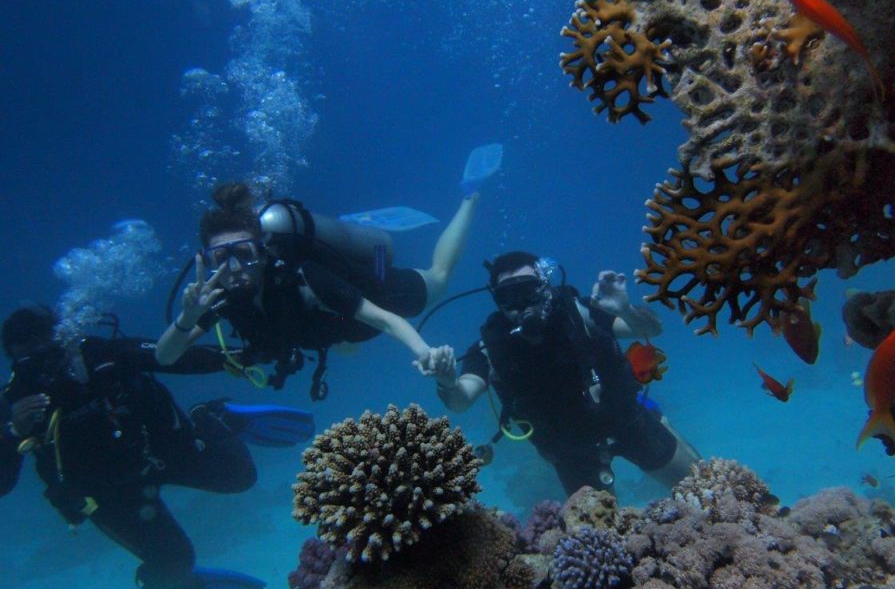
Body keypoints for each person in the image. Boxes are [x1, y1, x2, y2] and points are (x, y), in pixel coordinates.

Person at [0, 305, 312, 589]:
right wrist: (12, 433)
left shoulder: (102, 355)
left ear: (63, 337)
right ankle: (177, 581)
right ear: (13, 359)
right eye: (27, 355)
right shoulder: (12, 404)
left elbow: (172, 356)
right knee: (173, 566)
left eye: (46, 345)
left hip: (162, 453)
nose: (41, 360)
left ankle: (212, 416)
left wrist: (239, 357)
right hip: (109, 496)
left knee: (240, 476)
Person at [155, 181, 482, 397]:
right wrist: (188, 317)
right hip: (336, 330)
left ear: (264, 250)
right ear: (206, 261)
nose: (235, 268)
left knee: (438, 278)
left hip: (371, 293)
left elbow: (385, 320)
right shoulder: (216, 298)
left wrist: (425, 354)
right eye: (220, 258)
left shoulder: (304, 276)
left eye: (243, 253)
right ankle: (363, 238)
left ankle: (470, 197)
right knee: (345, 345)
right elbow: (165, 357)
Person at [429, 251, 702, 497]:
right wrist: (448, 382)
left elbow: (651, 330)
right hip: (569, 451)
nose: (521, 304)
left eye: (528, 290)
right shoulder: (491, 347)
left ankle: (655, 415)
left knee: (704, 489)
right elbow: (461, 400)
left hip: (626, 420)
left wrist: (625, 310)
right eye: (508, 297)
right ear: (496, 300)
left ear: (545, 286)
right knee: (598, 541)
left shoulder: (578, 313)